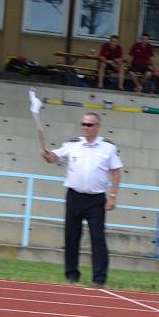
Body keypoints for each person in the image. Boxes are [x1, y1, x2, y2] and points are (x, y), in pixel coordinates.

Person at [41, 112, 122, 288]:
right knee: (71, 237)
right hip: (74, 196)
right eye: (83, 124)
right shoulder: (73, 144)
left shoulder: (108, 148)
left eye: (89, 124)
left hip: (96, 200)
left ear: (97, 127)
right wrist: (48, 156)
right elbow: (54, 157)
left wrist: (113, 196)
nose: (85, 127)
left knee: (98, 239)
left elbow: (116, 171)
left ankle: (99, 278)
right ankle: (71, 275)